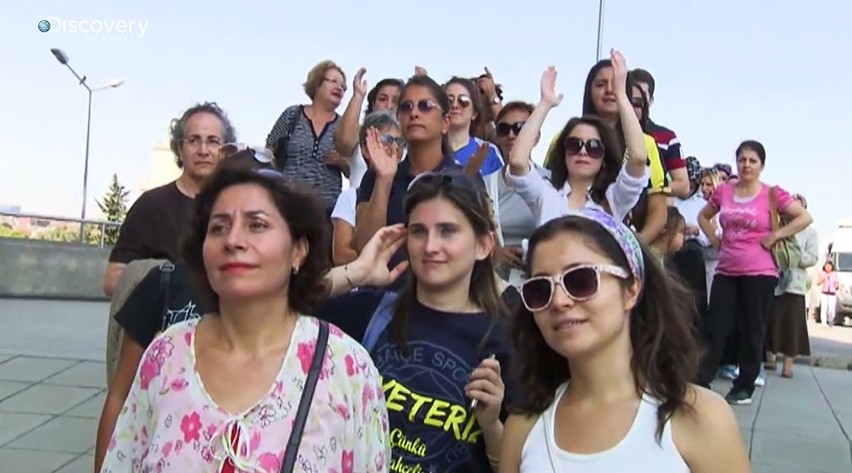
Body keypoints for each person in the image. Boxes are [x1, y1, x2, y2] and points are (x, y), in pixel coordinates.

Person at [100, 161, 405, 472]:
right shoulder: (166, 355)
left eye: (257, 225)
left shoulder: (347, 368)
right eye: (218, 227)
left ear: (298, 250)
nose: (233, 240)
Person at [498, 210, 749, 472]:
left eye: (581, 279)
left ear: (631, 289)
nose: (559, 301)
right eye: (540, 289)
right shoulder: (524, 427)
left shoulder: (700, 417)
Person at [318, 169, 512, 472]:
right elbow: (272, 305)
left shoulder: (506, 338)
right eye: (419, 231)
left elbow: (518, 464)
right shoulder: (371, 313)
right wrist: (355, 273)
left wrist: (491, 425)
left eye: (447, 231)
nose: (430, 246)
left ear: (483, 245)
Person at [696, 140, 813, 404]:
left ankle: (744, 385)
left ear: (761, 165)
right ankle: (702, 377)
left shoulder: (771, 193)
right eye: (742, 159)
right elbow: (704, 216)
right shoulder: (724, 191)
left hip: (760, 270)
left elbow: (804, 217)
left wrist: (775, 236)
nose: (746, 164)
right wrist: (716, 240)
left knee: (753, 328)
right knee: (716, 325)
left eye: (752, 160)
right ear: (736, 162)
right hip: (727, 268)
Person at [102, 102, 237, 295]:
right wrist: (171, 283)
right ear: (179, 148)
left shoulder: (237, 207)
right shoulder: (151, 206)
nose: (203, 150)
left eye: (213, 141)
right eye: (193, 140)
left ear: (225, 151)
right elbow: (113, 280)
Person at [504, 51, 649, 227]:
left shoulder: (614, 199)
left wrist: (621, 94)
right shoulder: (546, 195)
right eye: (574, 145)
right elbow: (518, 161)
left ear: (605, 157)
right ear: (563, 153)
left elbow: (639, 159)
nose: (583, 151)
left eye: (594, 147)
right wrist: (545, 103)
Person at [766, 194, 819, 378]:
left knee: (792, 326)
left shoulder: (810, 232)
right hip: (775, 281)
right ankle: (770, 357)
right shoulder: (777, 226)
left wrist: (793, 255)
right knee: (771, 321)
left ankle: (788, 365)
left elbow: (813, 257)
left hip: (795, 284)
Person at [818, 261, 839, 327]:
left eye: (829, 266)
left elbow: (837, 283)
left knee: (831, 309)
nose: (828, 267)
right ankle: (823, 322)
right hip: (824, 293)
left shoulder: (834, 274)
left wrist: (837, 286)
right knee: (824, 308)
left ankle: (830, 320)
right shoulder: (822, 273)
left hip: (832, 294)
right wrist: (823, 279)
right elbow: (818, 283)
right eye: (826, 266)